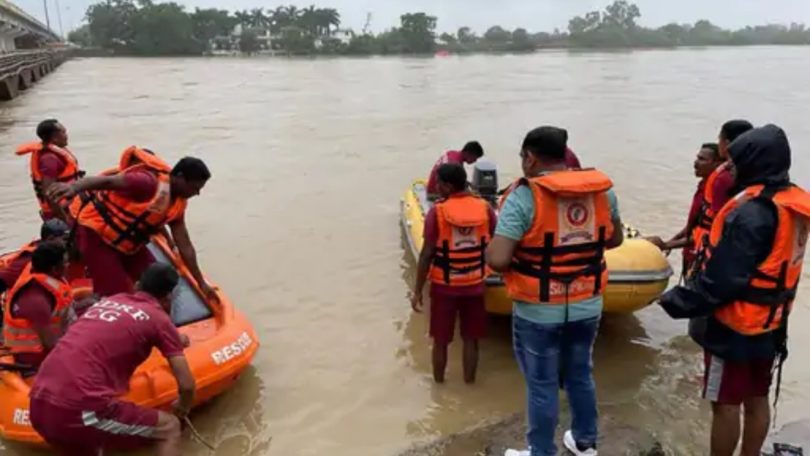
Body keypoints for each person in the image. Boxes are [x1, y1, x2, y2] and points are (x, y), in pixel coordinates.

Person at [659, 125, 810, 456]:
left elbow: (722, 281)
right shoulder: (790, 204)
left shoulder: (752, 213)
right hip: (771, 323)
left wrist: (673, 300)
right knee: (757, 398)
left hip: (735, 326)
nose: (730, 168)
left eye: (736, 162)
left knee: (724, 403)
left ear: (756, 162)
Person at [487, 126, 624, 456]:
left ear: (530, 158)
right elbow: (615, 239)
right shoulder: (602, 194)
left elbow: (499, 259)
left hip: (538, 309)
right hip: (587, 304)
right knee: (580, 375)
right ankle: (584, 442)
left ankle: (540, 451)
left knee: (542, 384)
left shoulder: (524, 196)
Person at [29, 263, 195, 456]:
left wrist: (174, 337)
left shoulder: (112, 301)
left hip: (38, 404)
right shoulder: (159, 319)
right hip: (78, 408)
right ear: (168, 297)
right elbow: (187, 385)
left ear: (137, 285)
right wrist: (182, 407)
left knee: (92, 444)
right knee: (169, 428)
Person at [48, 146, 216, 300]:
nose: (197, 193)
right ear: (180, 177)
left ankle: (153, 317)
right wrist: (74, 188)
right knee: (119, 294)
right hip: (97, 235)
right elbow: (107, 182)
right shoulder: (147, 183)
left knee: (159, 281)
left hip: (129, 244)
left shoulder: (177, 205)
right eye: (194, 188)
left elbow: (185, 246)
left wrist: (201, 283)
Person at [411, 163, 496, 384]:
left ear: (447, 186)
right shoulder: (485, 208)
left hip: (444, 287)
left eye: (439, 183)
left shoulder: (437, 212)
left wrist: (418, 290)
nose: (436, 187)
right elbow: (495, 240)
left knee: (440, 341)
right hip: (475, 285)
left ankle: (438, 387)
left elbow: (427, 254)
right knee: (471, 339)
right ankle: (470, 384)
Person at [647, 143, 723, 277]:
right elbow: (696, 223)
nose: (696, 163)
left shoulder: (715, 193)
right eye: (697, 158)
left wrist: (667, 245)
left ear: (717, 164)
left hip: (700, 257)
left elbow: (707, 232)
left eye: (702, 159)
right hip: (689, 253)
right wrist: (674, 239)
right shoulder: (703, 187)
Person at [2, 242, 73, 368]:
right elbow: (50, 344)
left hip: (59, 337)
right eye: (66, 262)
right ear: (54, 269)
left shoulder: (51, 282)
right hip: (35, 359)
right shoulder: (36, 301)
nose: (69, 265)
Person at [15, 119, 83, 221]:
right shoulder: (50, 159)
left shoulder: (57, 152)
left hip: (70, 206)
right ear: (54, 138)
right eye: (63, 132)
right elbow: (49, 193)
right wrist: (64, 219)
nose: (66, 135)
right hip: (61, 212)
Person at [0, 219, 70, 294]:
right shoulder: (31, 258)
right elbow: (3, 279)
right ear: (50, 238)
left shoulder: (53, 251)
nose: (68, 243)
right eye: (65, 239)